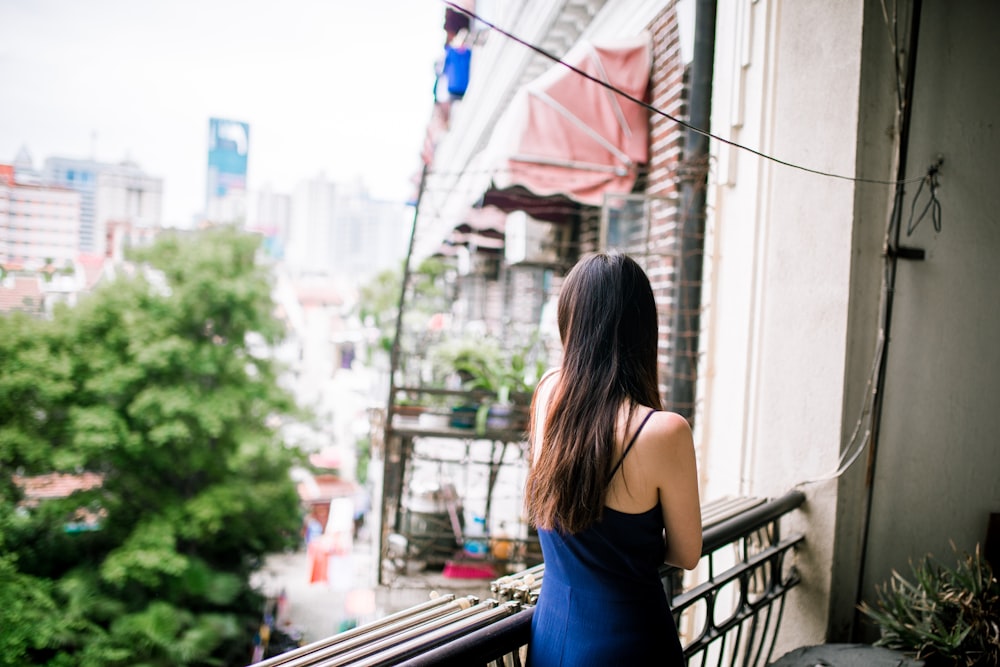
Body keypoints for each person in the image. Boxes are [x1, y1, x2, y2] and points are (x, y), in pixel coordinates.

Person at [525, 251, 702, 666]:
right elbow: (685, 553)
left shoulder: (548, 395)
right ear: (644, 330)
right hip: (630, 639)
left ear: (572, 323)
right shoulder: (664, 432)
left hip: (552, 632)